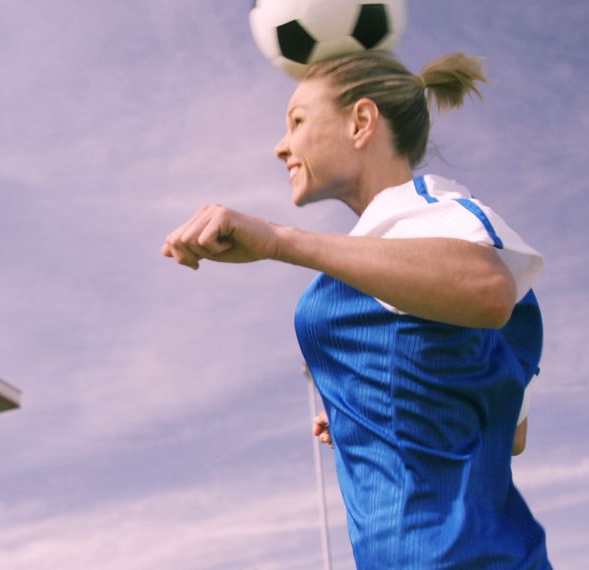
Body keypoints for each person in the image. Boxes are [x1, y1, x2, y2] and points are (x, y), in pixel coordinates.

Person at [161, 50, 550, 568]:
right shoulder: (389, 245)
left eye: (297, 121)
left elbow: (487, 289)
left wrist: (280, 240)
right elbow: (509, 430)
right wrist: (371, 405)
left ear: (361, 122)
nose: (281, 146)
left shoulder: (431, 215)